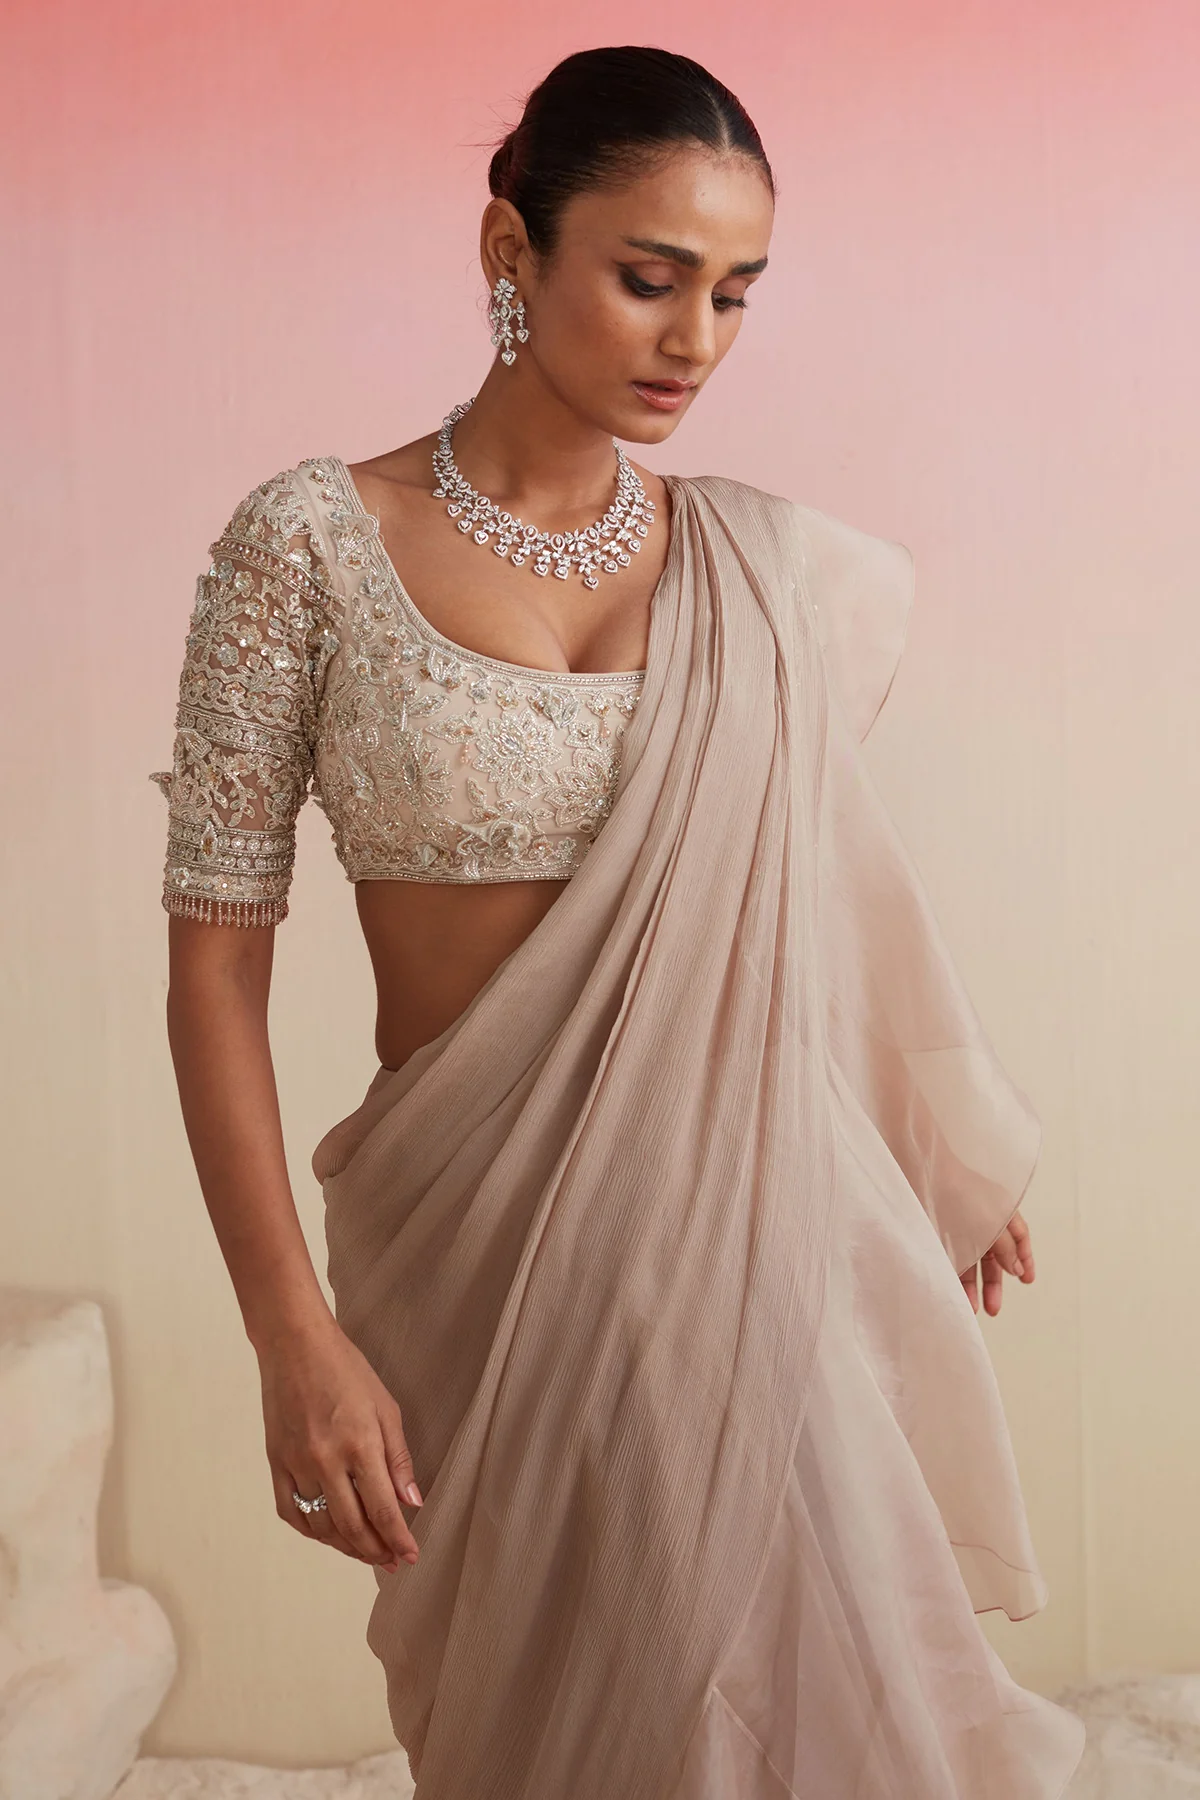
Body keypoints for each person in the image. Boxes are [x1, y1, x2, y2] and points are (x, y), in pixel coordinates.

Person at [152, 42, 1087, 1800]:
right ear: (510, 247)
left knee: (814, 1709)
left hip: (744, 1234)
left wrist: (930, 1140)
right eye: (651, 278)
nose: (696, 340)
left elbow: (813, 891)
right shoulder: (312, 546)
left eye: (735, 292)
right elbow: (214, 965)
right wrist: (290, 1333)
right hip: (466, 1254)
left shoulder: (768, 571)